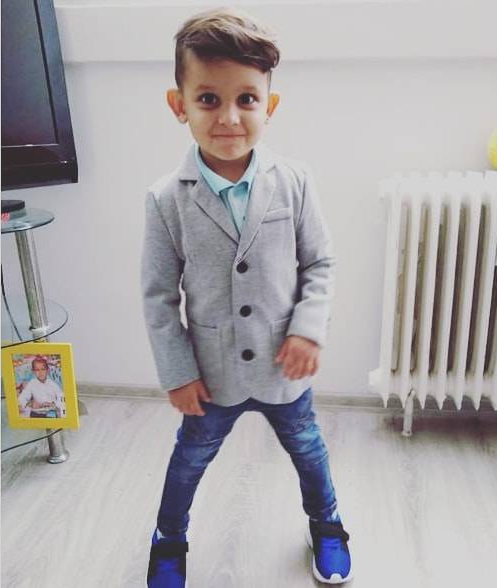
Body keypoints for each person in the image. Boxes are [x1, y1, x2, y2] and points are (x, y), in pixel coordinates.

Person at [141, 8, 352, 586]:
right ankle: (168, 538)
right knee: (189, 460)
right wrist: (177, 372)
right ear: (179, 104)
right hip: (211, 375)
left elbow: (321, 262)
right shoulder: (165, 199)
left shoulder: (295, 181)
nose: (229, 117)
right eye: (208, 99)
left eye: (247, 99)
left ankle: (328, 524)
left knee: (309, 451)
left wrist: (308, 328)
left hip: (285, 368)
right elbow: (158, 297)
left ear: (269, 105)